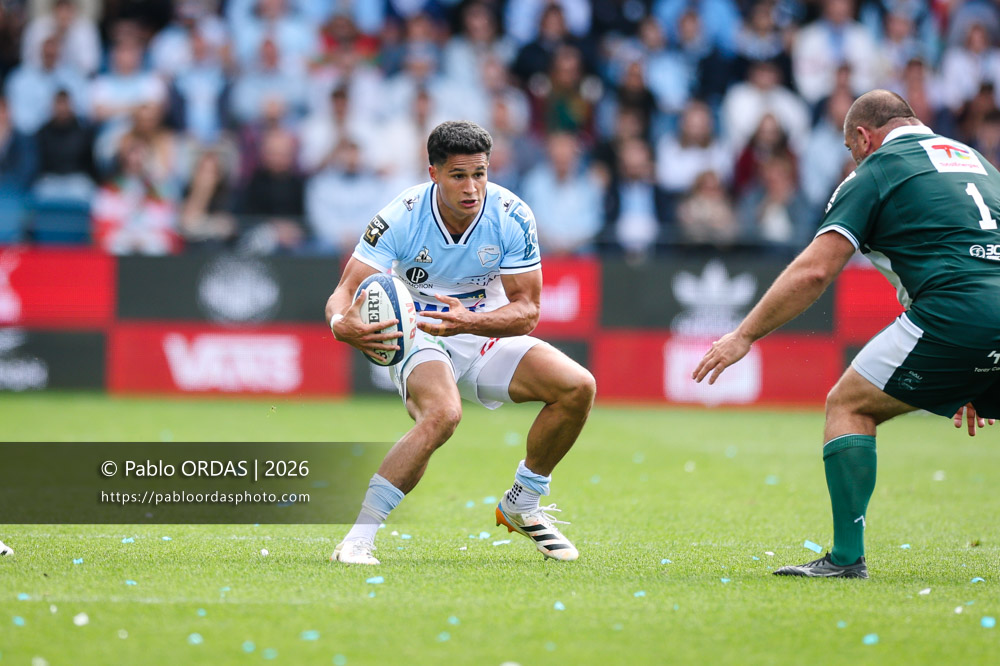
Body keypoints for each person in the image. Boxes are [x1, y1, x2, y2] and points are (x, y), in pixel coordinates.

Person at [693, 90, 999, 579]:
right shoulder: (976, 161)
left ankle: (845, 558)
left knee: (848, 404)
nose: (851, 158)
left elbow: (814, 273)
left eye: (849, 148)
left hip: (955, 309)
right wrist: (974, 371)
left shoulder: (877, 169)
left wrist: (743, 336)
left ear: (863, 136)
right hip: (985, 308)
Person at [325, 120, 596, 565]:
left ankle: (522, 504)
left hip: (479, 329)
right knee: (443, 415)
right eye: (458, 176)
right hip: (419, 332)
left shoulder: (512, 216)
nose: (472, 187)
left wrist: (470, 321)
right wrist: (340, 323)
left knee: (577, 386)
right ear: (433, 173)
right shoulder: (401, 215)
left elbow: (527, 310)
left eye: (480, 173)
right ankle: (358, 539)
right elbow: (344, 289)